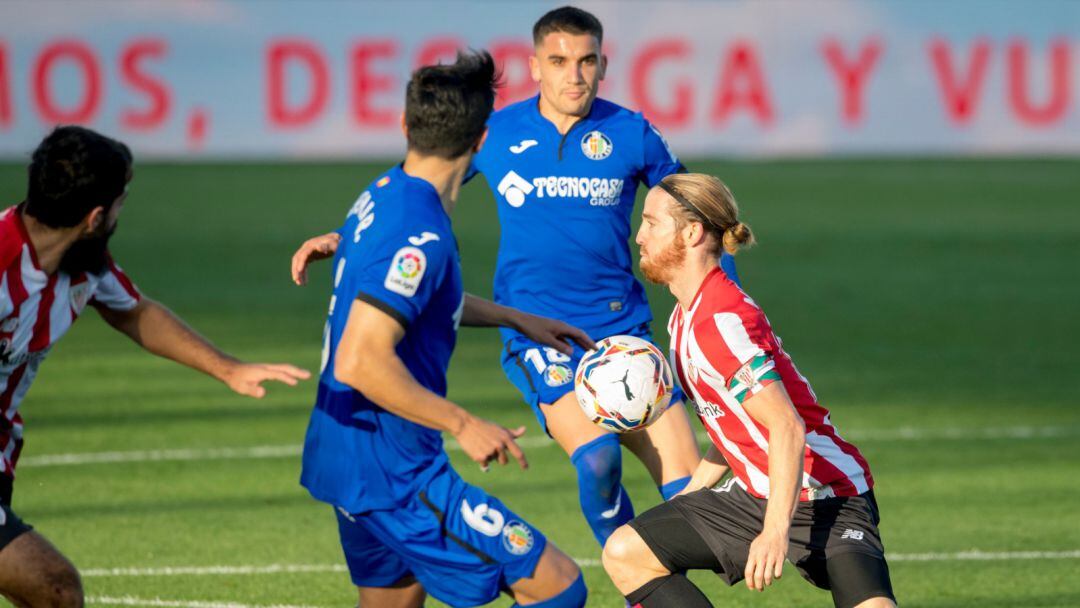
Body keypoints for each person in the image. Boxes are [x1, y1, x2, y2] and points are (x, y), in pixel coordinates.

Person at [292, 5, 742, 551]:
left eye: (586, 60)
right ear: (534, 66)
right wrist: (351, 235)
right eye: (558, 61)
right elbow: (418, 179)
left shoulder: (632, 133)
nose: (573, 74)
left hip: (624, 332)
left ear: (603, 64)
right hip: (538, 331)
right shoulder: (498, 133)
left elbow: (699, 217)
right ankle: (635, 577)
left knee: (691, 489)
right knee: (598, 458)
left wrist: (724, 302)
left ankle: (662, 576)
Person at [299, 50, 592, 608]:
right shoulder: (422, 234)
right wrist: (464, 423)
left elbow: (418, 299)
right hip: (397, 471)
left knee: (396, 599)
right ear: (482, 140)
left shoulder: (382, 193)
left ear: (405, 125)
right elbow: (359, 360)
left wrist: (516, 318)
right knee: (559, 587)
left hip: (344, 453)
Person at [0, 126, 312, 607]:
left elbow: (133, 310)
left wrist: (228, 368)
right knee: (56, 588)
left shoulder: (83, 263)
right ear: (96, 216)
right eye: (122, 203)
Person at [600, 173, 897, 608]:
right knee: (626, 553)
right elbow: (734, 421)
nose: (639, 234)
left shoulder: (720, 321)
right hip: (757, 492)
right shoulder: (685, 318)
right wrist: (690, 496)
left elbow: (786, 427)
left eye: (651, 222)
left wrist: (774, 533)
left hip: (828, 494)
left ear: (692, 233)